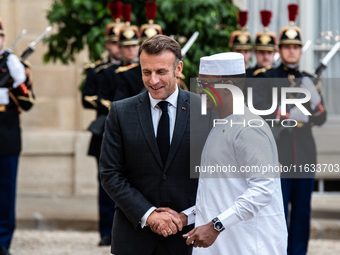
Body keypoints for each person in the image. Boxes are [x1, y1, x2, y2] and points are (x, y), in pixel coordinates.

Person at [157, 52, 287, 254]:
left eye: (204, 85)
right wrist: (186, 217)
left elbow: (262, 191)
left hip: (249, 247)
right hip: (223, 245)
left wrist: (216, 225)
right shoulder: (220, 125)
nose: (199, 91)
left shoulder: (249, 128)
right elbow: (217, 193)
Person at [99, 34, 210, 255]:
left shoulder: (205, 110)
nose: (153, 80)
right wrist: (149, 214)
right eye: (146, 72)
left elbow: (215, 175)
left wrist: (187, 215)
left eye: (161, 72)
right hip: (133, 237)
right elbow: (110, 174)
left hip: (189, 236)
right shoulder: (121, 112)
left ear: (178, 69)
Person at [252, 4, 327, 255]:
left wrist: (314, 102)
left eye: (296, 47)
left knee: (302, 210)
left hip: (304, 153)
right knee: (277, 210)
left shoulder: (309, 79)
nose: (292, 51)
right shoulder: (266, 77)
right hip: (278, 153)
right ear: (280, 50)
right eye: (287, 47)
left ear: (300, 50)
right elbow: (261, 111)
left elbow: (321, 118)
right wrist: (284, 115)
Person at [81, 1, 123, 246]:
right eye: (115, 43)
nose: (119, 48)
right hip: (105, 130)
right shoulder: (98, 71)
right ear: (108, 45)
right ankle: (106, 231)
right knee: (105, 183)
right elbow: (88, 98)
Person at [0, 18, 35, 255]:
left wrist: (17, 81)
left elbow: (28, 102)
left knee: (5, 190)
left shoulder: (13, 64)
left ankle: (2, 242)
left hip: (6, 131)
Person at [246, 10, 277, 78]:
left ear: (275, 53)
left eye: (269, 52)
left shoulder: (281, 76)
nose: (265, 56)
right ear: (255, 52)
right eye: (262, 52)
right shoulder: (246, 76)